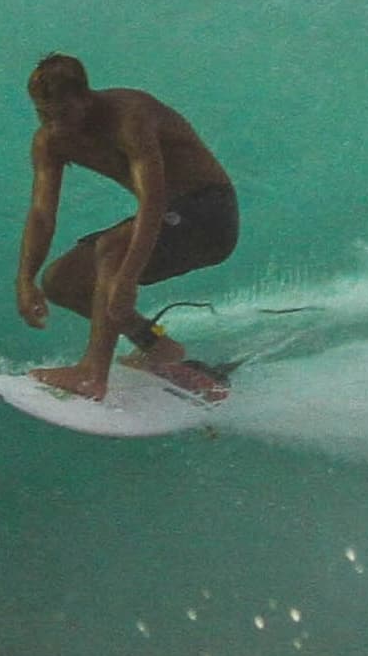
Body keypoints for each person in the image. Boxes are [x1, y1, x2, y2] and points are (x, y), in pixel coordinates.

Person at [15, 54, 238, 403]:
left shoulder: (129, 117)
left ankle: (92, 374)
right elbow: (42, 213)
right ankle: (157, 344)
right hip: (169, 218)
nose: (54, 125)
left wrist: (127, 277)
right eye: (44, 114)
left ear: (85, 98)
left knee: (113, 250)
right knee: (61, 281)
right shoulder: (50, 141)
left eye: (63, 114)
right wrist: (25, 279)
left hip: (210, 215)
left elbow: (153, 200)